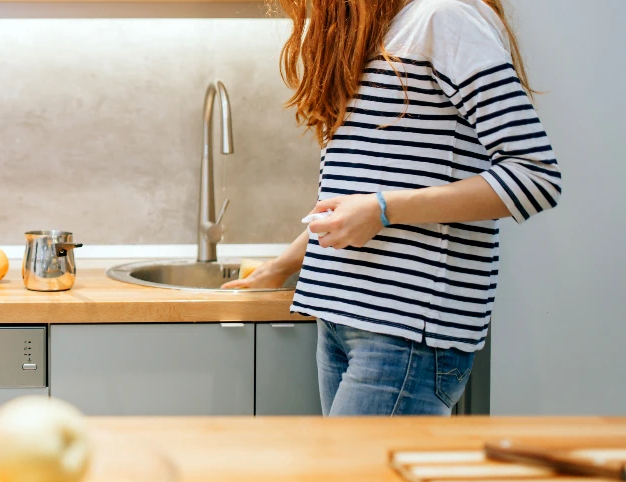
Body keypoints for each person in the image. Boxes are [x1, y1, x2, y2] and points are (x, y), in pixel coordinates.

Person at [223, 0, 562, 416]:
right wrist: (280, 267)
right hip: (339, 316)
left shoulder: (443, 19)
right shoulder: (376, 33)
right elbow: (355, 194)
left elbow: (535, 176)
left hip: (405, 334)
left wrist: (383, 210)